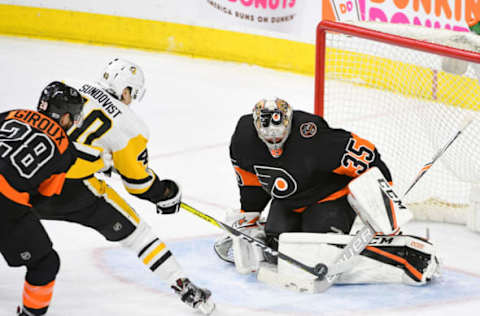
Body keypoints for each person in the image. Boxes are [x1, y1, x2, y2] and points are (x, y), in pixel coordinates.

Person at [32, 58, 214, 315]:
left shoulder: (68, 83)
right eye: (132, 94)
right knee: (139, 235)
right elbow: (138, 184)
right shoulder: (133, 127)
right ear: (126, 90)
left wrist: (102, 158)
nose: (130, 100)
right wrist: (164, 193)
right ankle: (184, 288)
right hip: (74, 191)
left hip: (30, 175)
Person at [215, 98, 439, 286]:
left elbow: (366, 156)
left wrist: (382, 200)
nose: (274, 143)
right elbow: (252, 179)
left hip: (329, 196)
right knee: (277, 244)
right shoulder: (244, 139)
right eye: (268, 137)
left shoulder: (312, 137)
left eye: (278, 136)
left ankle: (397, 255)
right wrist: (250, 215)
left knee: (320, 248)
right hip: (289, 201)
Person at [0, 81, 109, 316]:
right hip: (6, 202)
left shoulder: (12, 114)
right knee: (45, 264)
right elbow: (45, 194)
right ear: (65, 117)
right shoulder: (65, 148)